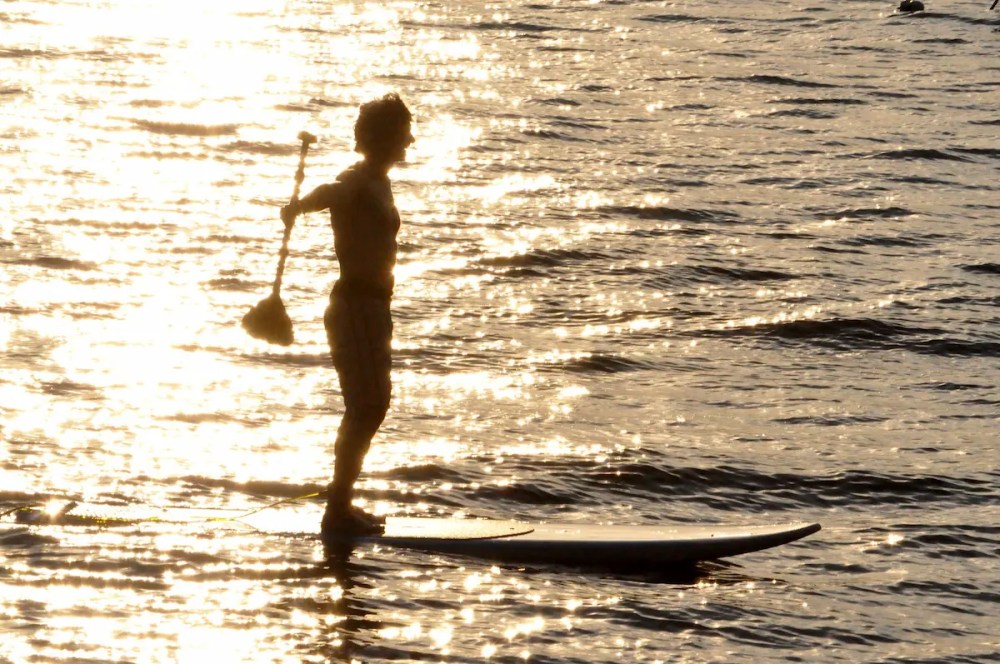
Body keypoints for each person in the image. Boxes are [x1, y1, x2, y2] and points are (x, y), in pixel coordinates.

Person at [281, 93, 413, 536]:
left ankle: (342, 503)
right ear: (382, 138)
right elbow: (330, 193)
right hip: (355, 306)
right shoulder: (357, 179)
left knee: (372, 405)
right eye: (401, 133)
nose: (409, 141)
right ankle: (337, 509)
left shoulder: (380, 180)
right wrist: (299, 207)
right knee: (367, 406)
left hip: (373, 308)